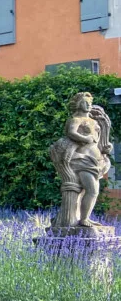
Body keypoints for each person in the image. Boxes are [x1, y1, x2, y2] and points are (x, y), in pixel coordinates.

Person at [49, 92, 113, 229]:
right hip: (82, 160)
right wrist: (85, 139)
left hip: (96, 160)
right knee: (92, 190)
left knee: (88, 190)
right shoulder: (76, 119)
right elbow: (71, 133)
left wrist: (106, 148)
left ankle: (83, 218)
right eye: (85, 102)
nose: (88, 105)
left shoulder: (94, 122)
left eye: (90, 102)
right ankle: (83, 219)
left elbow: (99, 141)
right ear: (78, 104)